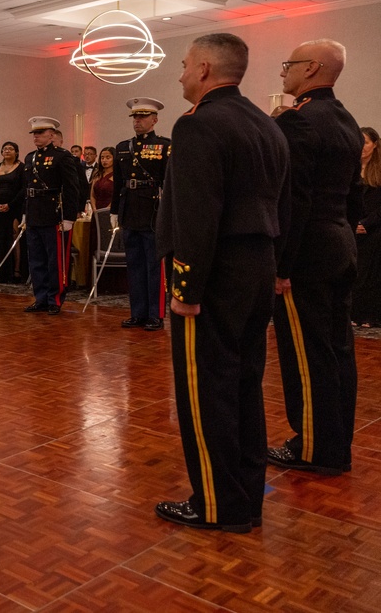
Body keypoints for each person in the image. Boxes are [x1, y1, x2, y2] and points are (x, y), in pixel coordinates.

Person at [154, 32, 289, 534]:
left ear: (206, 69)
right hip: (257, 267)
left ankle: (215, 503)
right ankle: (244, 498)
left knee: (206, 390)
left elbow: (196, 216)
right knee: (243, 387)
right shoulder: (267, 124)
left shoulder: (198, 126)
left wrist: (186, 290)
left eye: (186, 64)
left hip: (214, 275)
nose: (182, 73)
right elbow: (284, 207)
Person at [268, 39, 362, 476]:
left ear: (312, 69)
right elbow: (354, 192)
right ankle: (335, 441)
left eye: (289, 64)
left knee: (306, 354)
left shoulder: (300, 120)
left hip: (307, 254)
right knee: (338, 349)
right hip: (339, 243)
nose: (283, 71)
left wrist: (282, 266)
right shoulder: (344, 118)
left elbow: (295, 201)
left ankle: (312, 446)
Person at [112, 97, 171, 331]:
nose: (137, 121)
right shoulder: (122, 147)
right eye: (135, 117)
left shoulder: (164, 146)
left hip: (152, 212)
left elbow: (170, 183)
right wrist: (115, 211)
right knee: (134, 265)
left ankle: (155, 314)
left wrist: (168, 214)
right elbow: (119, 183)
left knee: (154, 265)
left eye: (143, 116)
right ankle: (137, 312)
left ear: (154, 119)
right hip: (129, 210)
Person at [22, 117, 82, 314]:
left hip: (53, 213)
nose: (36, 137)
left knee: (55, 260)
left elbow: (72, 188)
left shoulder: (62, 157)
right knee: (36, 260)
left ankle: (54, 298)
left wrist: (69, 217)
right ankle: (40, 298)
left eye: (40, 133)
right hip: (34, 213)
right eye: (34, 133)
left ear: (52, 135)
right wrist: (25, 214)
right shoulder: (30, 157)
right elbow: (27, 188)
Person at [352, 126, 381, 328]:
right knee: (354, 272)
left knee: (370, 274)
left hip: (374, 230)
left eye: (366, 142)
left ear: (375, 145)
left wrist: (367, 224)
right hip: (354, 228)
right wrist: (354, 223)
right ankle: (354, 313)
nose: (362, 147)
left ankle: (370, 315)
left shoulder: (378, 170)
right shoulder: (351, 168)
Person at [0, 141, 26, 283]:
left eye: (11, 149)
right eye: (5, 149)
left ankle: (16, 271)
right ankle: (1, 272)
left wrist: (10, 204)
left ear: (16, 152)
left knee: (15, 237)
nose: (7, 151)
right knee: (2, 238)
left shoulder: (22, 168)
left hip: (15, 207)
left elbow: (23, 189)